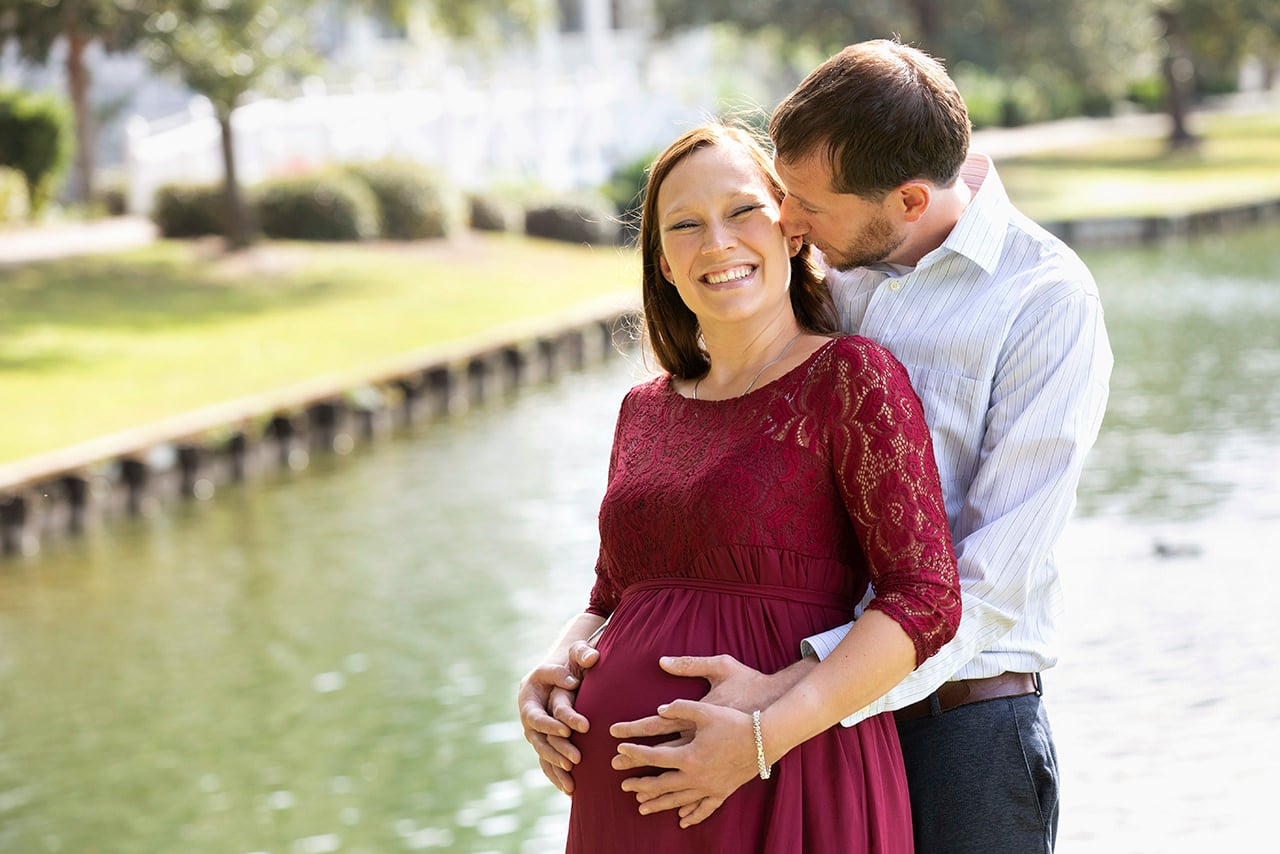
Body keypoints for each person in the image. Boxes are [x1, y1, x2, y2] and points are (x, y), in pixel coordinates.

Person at [523, 41, 1113, 853]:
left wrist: (781, 705)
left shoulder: (1045, 301)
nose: (786, 223)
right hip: (788, 732)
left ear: (908, 201)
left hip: (957, 731)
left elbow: (988, 583)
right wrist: (568, 659)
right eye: (782, 197)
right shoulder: (832, 264)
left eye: (801, 205)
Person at [518, 121, 961, 852]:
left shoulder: (850, 379)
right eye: (686, 225)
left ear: (791, 228)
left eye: (742, 210)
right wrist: (555, 662)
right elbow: (612, 595)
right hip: (623, 813)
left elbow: (926, 597)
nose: (718, 242)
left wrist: (761, 738)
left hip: (790, 773)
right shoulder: (642, 410)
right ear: (663, 263)